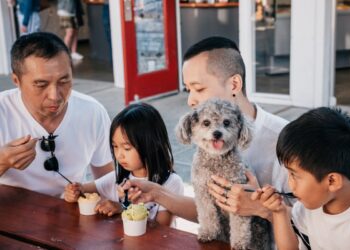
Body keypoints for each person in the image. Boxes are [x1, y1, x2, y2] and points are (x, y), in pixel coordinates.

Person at [120, 36, 291, 224]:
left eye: (199, 89)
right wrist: (156, 193)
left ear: (234, 84)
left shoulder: (283, 139)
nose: (190, 100)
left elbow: (314, 222)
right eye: (188, 90)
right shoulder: (208, 136)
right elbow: (208, 212)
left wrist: (261, 209)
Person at [252, 107, 350, 249]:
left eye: (294, 175)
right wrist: (279, 212)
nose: (290, 183)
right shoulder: (308, 207)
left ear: (332, 181)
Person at [0, 32, 113, 197]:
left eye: (64, 81)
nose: (55, 95)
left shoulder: (92, 112)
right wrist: (2, 161)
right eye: (41, 84)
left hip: (71, 213)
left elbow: (107, 181)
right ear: (16, 81)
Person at [64, 103, 184, 226]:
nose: (119, 155)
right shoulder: (117, 178)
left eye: (127, 148)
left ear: (150, 145)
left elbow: (162, 228)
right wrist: (74, 192)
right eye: (115, 146)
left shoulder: (171, 183)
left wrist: (123, 209)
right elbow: (84, 189)